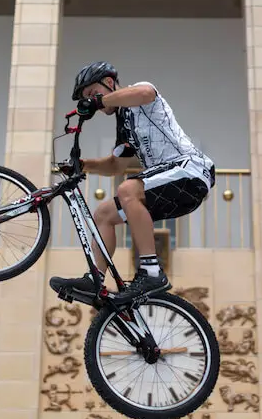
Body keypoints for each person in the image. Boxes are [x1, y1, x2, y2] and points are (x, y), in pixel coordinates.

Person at [51, 61, 215, 307]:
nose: (91, 100)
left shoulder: (139, 92)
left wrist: (98, 102)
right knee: (104, 214)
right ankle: (95, 279)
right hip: (171, 183)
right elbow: (115, 166)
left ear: (108, 83)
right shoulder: (124, 126)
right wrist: (83, 165)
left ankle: (151, 271)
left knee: (128, 189)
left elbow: (145, 93)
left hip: (190, 170)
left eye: (92, 93)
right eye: (86, 98)